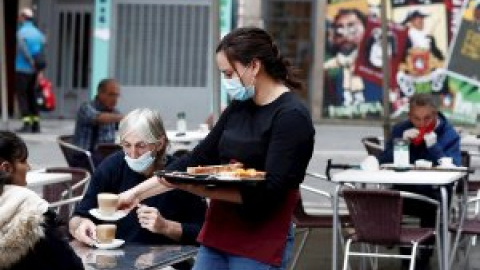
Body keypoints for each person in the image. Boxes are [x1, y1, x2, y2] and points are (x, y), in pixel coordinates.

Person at [117, 27, 316, 270]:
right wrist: (133, 194)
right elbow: (196, 158)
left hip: (261, 239)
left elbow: (270, 193)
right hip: (218, 234)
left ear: (254, 66)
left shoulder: (291, 116)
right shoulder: (239, 106)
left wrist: (197, 188)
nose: (226, 81)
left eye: (229, 73)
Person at [69, 109, 206, 266]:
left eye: (141, 146)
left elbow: (202, 233)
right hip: (113, 261)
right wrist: (80, 226)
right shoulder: (112, 166)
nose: (133, 154)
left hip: (167, 261)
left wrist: (166, 226)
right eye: (127, 145)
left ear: (159, 144)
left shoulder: (177, 176)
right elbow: (77, 217)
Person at [378, 93, 460, 270]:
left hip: (433, 193)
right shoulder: (401, 129)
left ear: (435, 115)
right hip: (405, 190)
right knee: (389, 200)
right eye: (416, 118)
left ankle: (423, 256)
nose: (421, 124)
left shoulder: (449, 133)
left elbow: (455, 169)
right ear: (409, 116)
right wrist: (401, 143)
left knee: (433, 206)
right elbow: (383, 161)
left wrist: (434, 148)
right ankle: (405, 255)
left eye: (427, 118)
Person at [0, 131, 83, 270]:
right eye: (23, 161)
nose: (29, 167)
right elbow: (71, 265)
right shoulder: (31, 208)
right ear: (6, 168)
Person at [72, 78, 123, 163]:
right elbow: (98, 118)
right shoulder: (86, 108)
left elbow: (126, 126)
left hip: (105, 156)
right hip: (86, 157)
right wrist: (125, 117)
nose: (115, 99)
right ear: (100, 93)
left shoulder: (114, 112)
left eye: (117, 96)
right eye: (111, 95)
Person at [15, 8, 46, 133]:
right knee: (32, 95)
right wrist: (39, 69)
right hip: (35, 71)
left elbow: (23, 49)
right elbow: (42, 50)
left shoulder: (21, 32)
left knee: (22, 95)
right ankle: (36, 124)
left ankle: (27, 123)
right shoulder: (38, 33)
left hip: (23, 68)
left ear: (23, 17)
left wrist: (30, 61)